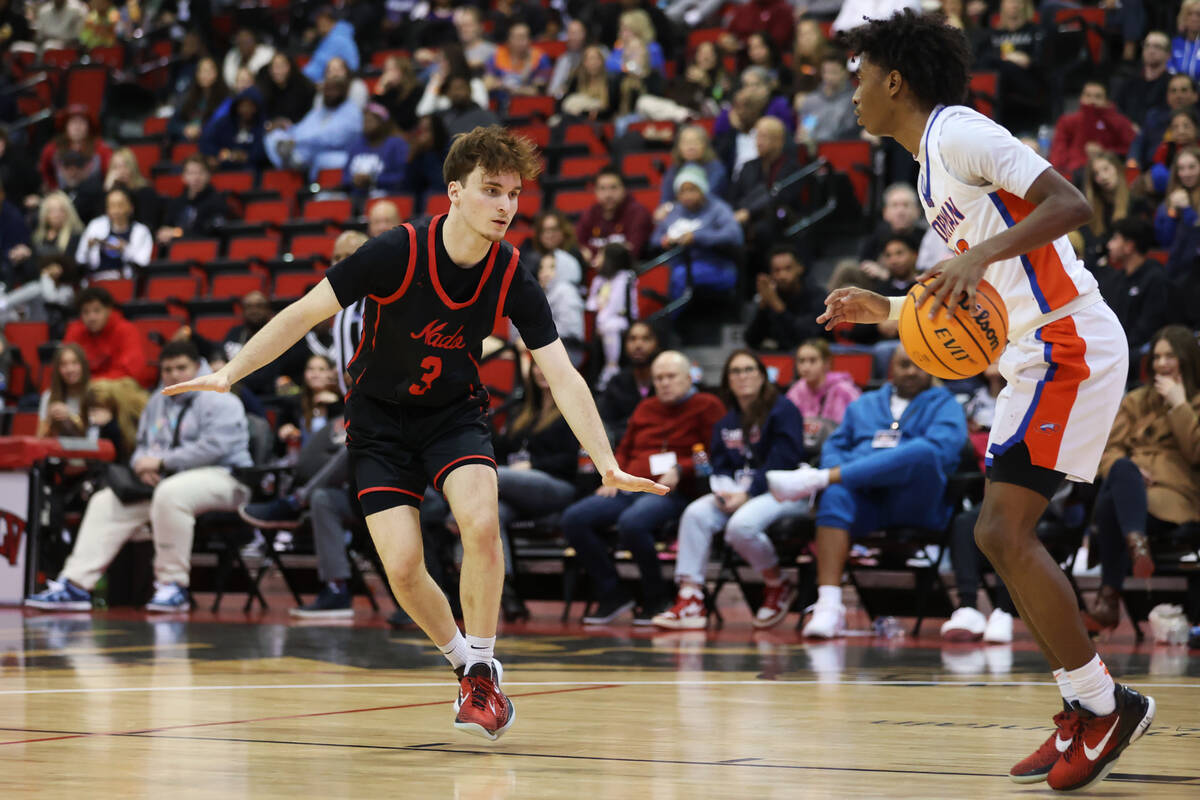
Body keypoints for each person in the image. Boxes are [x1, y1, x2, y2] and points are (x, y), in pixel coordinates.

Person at [163, 125, 668, 742]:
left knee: (480, 522)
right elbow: (303, 312)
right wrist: (231, 372)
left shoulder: (511, 273)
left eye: (514, 193)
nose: (507, 206)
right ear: (455, 192)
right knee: (402, 567)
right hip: (378, 422)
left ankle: (483, 666)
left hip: (454, 415)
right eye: (492, 190)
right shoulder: (396, 251)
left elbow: (560, 373)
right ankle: (464, 666)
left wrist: (605, 461)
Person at [812, 11, 1155, 790]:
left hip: (1068, 342)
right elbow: (980, 295)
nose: (852, 91)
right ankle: (1087, 703)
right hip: (1030, 353)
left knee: (1002, 530)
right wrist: (890, 310)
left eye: (859, 75)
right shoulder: (930, 170)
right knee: (996, 534)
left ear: (894, 78)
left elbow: (1071, 204)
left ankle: (1104, 708)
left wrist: (982, 256)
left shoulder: (960, 130)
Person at [25, 340, 252, 614]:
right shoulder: (158, 399)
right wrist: (143, 467)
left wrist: (162, 462)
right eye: (167, 369)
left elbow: (217, 446)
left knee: (171, 494)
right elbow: (142, 446)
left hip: (226, 478)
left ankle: (173, 586)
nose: (174, 374)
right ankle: (75, 585)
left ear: (197, 366)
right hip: (166, 481)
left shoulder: (220, 396)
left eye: (182, 368)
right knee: (106, 500)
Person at [561, 350, 720, 625]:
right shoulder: (646, 407)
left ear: (688, 378)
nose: (664, 383)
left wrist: (683, 468)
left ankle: (656, 597)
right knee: (574, 518)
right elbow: (624, 449)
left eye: (671, 377)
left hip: (671, 491)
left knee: (632, 523)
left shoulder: (707, 405)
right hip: (630, 485)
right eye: (659, 378)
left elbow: (715, 455)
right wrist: (612, 474)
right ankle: (613, 593)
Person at [653, 350, 807, 630]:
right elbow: (719, 464)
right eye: (735, 371)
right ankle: (691, 598)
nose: (743, 376)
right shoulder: (726, 422)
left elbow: (784, 460)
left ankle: (778, 584)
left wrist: (746, 495)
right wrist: (723, 492)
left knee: (740, 526)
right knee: (695, 514)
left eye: (749, 369)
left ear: (762, 376)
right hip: (739, 492)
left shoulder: (784, 410)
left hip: (783, 490)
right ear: (727, 380)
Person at [1085, 327, 1200, 632]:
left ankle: (1109, 596)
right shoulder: (1136, 400)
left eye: (1170, 356)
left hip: (1174, 497)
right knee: (1121, 468)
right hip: (1130, 490)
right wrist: (1133, 472)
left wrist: (1179, 405)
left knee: (1110, 502)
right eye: (1157, 356)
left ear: (1187, 359)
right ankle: (1137, 544)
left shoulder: (1197, 402)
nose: (1162, 363)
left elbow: (1196, 452)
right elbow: (1107, 450)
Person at [650, 164, 743, 300]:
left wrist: (696, 237)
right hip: (678, 264)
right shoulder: (675, 210)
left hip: (716, 264)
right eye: (682, 191)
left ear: (702, 189)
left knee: (678, 277)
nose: (687, 195)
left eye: (692, 189)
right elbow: (655, 238)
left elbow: (734, 234)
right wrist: (665, 240)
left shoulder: (718, 208)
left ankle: (668, 318)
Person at [744, 245, 827, 352]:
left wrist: (776, 304)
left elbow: (806, 337)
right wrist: (763, 305)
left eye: (788, 269)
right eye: (776, 270)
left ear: (800, 268)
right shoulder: (769, 296)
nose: (782, 275)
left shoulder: (817, 296)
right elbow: (752, 341)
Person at [786, 338, 862, 452]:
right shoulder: (795, 391)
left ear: (826, 363)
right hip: (802, 450)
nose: (806, 367)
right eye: (801, 361)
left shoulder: (844, 390)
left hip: (839, 450)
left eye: (813, 361)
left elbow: (859, 426)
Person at [1048, 82, 1137, 179]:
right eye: (1088, 95)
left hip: (1109, 173)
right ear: (1081, 98)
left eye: (1098, 97)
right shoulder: (1068, 121)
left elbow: (1131, 148)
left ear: (1107, 101)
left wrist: (1105, 152)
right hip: (1075, 172)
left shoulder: (1119, 122)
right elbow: (1058, 152)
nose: (1092, 101)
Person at [63, 285, 146, 382]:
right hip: (82, 386)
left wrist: (94, 383)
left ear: (108, 310)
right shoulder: (75, 331)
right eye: (86, 312)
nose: (91, 317)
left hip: (117, 386)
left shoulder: (126, 330)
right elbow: (64, 365)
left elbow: (131, 370)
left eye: (97, 311)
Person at [576, 166, 654, 268]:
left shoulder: (638, 213)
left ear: (624, 189)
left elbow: (632, 252)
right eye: (602, 188)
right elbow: (578, 247)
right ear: (595, 191)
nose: (608, 194)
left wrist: (594, 252)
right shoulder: (590, 213)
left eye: (613, 188)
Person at [597, 320, 660, 443]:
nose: (638, 345)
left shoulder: (666, 379)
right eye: (632, 339)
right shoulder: (616, 383)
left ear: (656, 343)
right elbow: (607, 425)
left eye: (645, 339)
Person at [586, 243, 637, 389]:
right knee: (606, 326)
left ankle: (611, 366)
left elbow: (617, 303)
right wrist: (598, 303)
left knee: (611, 326)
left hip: (622, 318)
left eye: (600, 255)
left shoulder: (624, 277)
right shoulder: (599, 279)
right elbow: (591, 302)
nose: (597, 259)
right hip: (602, 319)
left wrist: (602, 320)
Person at [155, 156, 231, 249]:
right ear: (183, 176)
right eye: (191, 173)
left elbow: (208, 233)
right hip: (175, 252)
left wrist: (177, 233)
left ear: (209, 175)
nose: (196, 177)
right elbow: (166, 228)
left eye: (200, 172)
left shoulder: (217, 202)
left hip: (204, 251)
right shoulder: (176, 203)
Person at [342, 103, 410, 197]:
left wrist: (374, 180)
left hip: (388, 196)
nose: (366, 124)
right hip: (356, 199)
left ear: (383, 122)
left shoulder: (396, 145)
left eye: (371, 120)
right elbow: (345, 177)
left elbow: (402, 177)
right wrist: (354, 180)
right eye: (364, 120)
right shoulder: (356, 145)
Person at [37, 343, 90, 438]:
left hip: (88, 450)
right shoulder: (49, 395)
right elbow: (39, 439)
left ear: (83, 365)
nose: (70, 369)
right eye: (63, 365)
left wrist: (71, 417)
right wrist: (49, 421)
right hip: (59, 450)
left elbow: (95, 436)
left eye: (75, 363)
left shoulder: (93, 393)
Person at [302, 6, 360, 84]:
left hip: (342, 83)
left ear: (332, 21)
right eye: (318, 22)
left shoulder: (337, 39)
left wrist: (301, 77)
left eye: (324, 21)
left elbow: (319, 65)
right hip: (328, 81)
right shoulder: (327, 38)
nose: (320, 26)